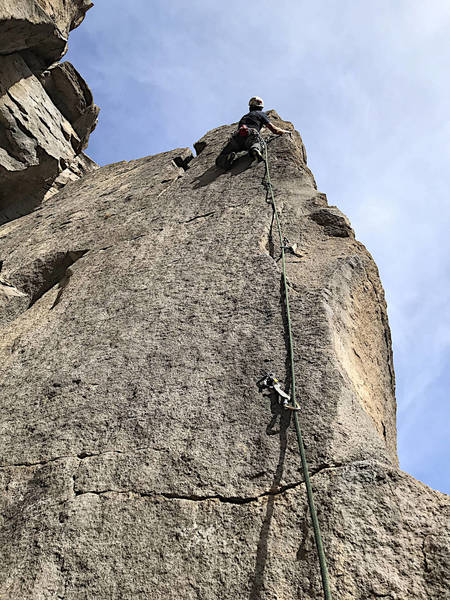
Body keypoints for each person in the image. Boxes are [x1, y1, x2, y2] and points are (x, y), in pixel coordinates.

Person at [215, 97, 290, 169]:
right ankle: (255, 149)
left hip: (237, 138)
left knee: (220, 159)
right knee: (258, 143)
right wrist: (285, 132)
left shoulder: (244, 117)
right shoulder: (261, 114)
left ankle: (227, 157)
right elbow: (274, 130)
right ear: (261, 107)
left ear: (250, 107)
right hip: (251, 136)